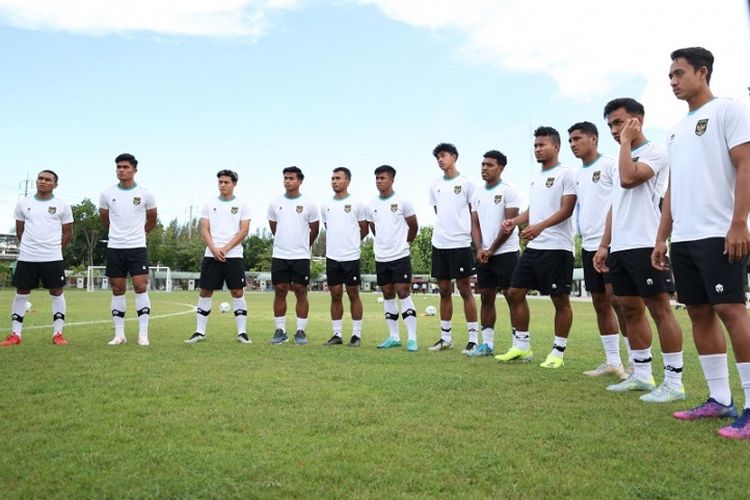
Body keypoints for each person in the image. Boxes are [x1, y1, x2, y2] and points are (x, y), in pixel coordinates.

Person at [654, 47, 750, 438]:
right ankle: (718, 399)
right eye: (670, 76)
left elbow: (746, 163)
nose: (673, 81)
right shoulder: (676, 130)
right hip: (685, 238)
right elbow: (674, 187)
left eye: (679, 73)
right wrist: (662, 237)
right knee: (699, 314)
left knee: (731, 310)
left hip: (719, 231)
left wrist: (739, 222)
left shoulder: (729, 110)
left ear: (702, 72)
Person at [593, 98, 685, 402]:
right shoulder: (622, 154)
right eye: (609, 125)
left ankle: (674, 382)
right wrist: (605, 244)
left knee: (660, 310)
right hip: (620, 247)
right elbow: (614, 206)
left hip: (646, 244)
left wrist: (625, 142)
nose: (613, 130)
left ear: (638, 120)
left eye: (618, 123)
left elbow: (628, 179)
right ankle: (642, 376)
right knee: (629, 309)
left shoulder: (655, 151)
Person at [497, 127, 577, 369]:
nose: (537, 149)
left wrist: (539, 227)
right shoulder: (535, 178)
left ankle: (558, 352)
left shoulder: (567, 174)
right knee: (514, 292)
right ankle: (522, 347)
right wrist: (516, 221)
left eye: (542, 145)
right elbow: (534, 210)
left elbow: (567, 210)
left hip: (558, 247)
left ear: (556, 147)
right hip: (535, 247)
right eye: (535, 146)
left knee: (559, 299)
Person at [568, 122, 629, 379]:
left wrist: (607, 240)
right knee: (600, 303)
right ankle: (613, 361)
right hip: (590, 245)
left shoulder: (610, 165)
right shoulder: (576, 174)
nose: (573, 144)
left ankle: (638, 363)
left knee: (620, 301)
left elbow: (620, 201)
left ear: (593, 139)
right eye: (570, 140)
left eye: (577, 139)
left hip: (613, 243)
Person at [1, 170, 73, 347]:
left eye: (48, 180)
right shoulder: (24, 203)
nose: (43, 181)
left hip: (52, 257)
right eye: (40, 178)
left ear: (55, 185)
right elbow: (20, 230)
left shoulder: (62, 205)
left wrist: (56, 250)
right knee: (21, 292)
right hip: (27, 256)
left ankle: (58, 333)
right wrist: (29, 247)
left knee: (56, 292)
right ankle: (15, 335)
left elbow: (68, 232)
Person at [185, 170, 251, 344]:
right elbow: (205, 228)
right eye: (220, 182)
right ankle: (200, 332)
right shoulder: (209, 204)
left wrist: (226, 248)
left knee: (237, 291)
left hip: (234, 255)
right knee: (205, 291)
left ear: (234, 184)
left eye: (226, 182)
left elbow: (244, 230)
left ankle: (242, 333)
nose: (222, 185)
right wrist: (214, 248)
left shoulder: (242, 205)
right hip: (211, 254)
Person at [99, 153, 157, 346]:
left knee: (141, 287)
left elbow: (152, 219)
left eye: (125, 167)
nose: (121, 170)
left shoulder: (145, 193)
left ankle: (143, 334)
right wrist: (118, 232)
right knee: (117, 288)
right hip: (115, 247)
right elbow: (105, 218)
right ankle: (119, 334)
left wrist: (140, 234)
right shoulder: (107, 193)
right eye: (118, 167)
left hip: (137, 247)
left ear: (134, 170)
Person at [427, 143, 480, 354]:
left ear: (454, 157)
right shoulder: (435, 185)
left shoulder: (468, 184)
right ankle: (445, 338)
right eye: (437, 157)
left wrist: (476, 242)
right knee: (444, 291)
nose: (440, 160)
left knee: (465, 289)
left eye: (443, 156)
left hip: (460, 243)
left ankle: (473, 338)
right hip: (440, 243)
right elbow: (438, 212)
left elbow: (473, 213)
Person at [468, 150, 521, 357]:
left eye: (489, 165)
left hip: (506, 252)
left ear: (500, 168)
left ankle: (519, 344)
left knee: (512, 297)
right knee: (486, 297)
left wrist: (492, 249)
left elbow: (509, 225)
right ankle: (487, 344)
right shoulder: (477, 194)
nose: (484, 168)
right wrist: (480, 247)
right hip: (484, 254)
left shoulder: (510, 191)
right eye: (482, 164)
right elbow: (475, 223)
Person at [367, 165, 419, 351]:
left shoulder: (403, 202)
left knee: (403, 292)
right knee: (387, 294)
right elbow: (374, 228)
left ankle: (412, 338)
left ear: (392, 180)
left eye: (383, 178)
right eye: (377, 178)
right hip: (381, 257)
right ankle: (393, 336)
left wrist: (406, 243)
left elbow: (413, 226)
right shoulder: (371, 205)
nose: (379, 181)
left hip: (400, 255)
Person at [267, 166, 320, 345]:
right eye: (285, 178)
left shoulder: (309, 204)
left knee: (300, 291)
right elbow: (274, 227)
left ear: (300, 181)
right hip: (280, 254)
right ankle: (280, 330)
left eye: (291, 178)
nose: (287, 181)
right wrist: (285, 241)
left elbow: (315, 230)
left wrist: (303, 244)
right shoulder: (275, 203)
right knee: (280, 291)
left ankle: (300, 331)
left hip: (301, 256)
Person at [320, 167, 368, 347]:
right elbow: (328, 226)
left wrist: (352, 242)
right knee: (335, 295)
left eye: (338, 178)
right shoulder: (326, 205)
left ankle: (356, 335)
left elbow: (363, 229)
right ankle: (337, 334)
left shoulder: (357, 204)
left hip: (351, 256)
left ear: (347, 181)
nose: (334, 181)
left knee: (353, 293)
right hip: (332, 257)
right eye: (332, 178)